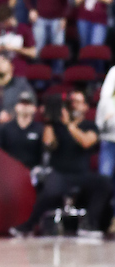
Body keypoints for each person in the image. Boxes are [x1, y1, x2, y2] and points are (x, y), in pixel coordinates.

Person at [14, 90, 113, 238]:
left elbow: (86, 142)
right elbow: (48, 144)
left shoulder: (89, 126)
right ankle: (29, 225)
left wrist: (69, 125)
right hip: (61, 173)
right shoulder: (57, 126)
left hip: (81, 174)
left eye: (79, 102)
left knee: (105, 183)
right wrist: (50, 121)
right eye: (73, 102)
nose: (75, 105)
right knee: (49, 189)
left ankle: (89, 223)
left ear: (86, 107)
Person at [0, 91, 44, 171]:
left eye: (28, 103)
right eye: (22, 103)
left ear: (34, 108)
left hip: (31, 173)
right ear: (16, 106)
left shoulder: (40, 129)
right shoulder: (6, 128)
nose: (24, 106)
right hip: (9, 172)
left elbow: (43, 154)